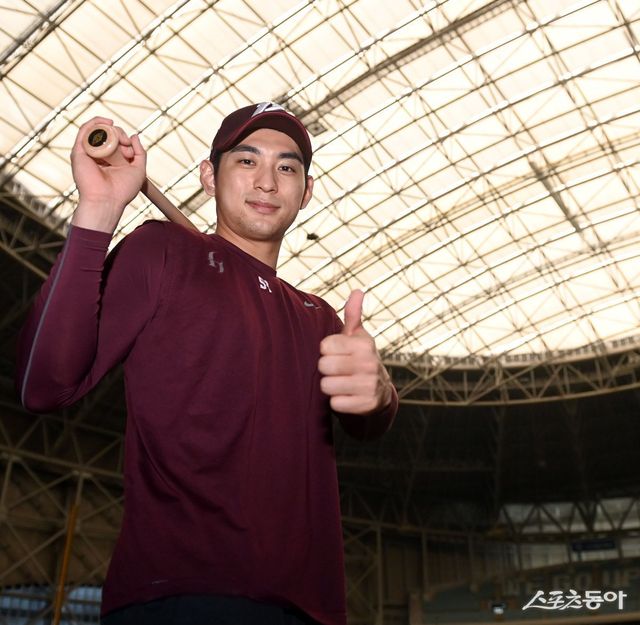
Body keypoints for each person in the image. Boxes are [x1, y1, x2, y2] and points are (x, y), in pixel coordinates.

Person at [16, 102, 397, 625]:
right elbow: (43, 385)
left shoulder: (320, 318)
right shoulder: (163, 250)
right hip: (178, 597)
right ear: (208, 176)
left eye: (287, 168)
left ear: (306, 192)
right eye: (247, 161)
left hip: (311, 610)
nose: (267, 182)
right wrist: (99, 210)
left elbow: (368, 424)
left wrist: (379, 392)